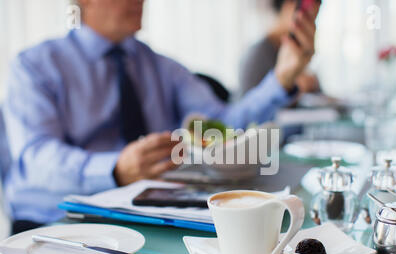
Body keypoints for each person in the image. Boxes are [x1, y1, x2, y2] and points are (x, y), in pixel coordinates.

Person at [3, 0, 319, 233]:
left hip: (144, 215)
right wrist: (114, 169)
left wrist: (282, 78)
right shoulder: (34, 66)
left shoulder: (159, 66)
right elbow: (35, 158)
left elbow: (223, 128)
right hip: (53, 224)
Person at [239, 0, 321, 97]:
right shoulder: (257, 55)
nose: (311, 24)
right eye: (308, 14)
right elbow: (251, 108)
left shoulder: (298, 51)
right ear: (289, 5)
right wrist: (294, 88)